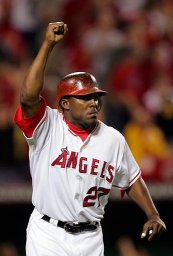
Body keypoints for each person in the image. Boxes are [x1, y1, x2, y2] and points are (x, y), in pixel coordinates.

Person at [13, 22, 166, 256]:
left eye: (96, 97)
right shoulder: (47, 125)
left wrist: (152, 213)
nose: (94, 102)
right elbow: (27, 97)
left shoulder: (113, 139)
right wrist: (47, 45)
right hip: (47, 234)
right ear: (65, 103)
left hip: (90, 238)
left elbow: (132, 179)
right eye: (85, 97)